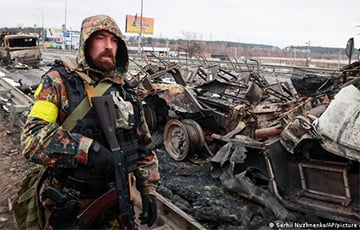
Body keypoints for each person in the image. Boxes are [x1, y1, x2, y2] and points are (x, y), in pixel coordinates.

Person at [21, 14, 159, 229]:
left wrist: (148, 190)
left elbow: (144, 146)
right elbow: (32, 139)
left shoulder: (127, 92)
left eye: (114, 41)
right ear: (86, 42)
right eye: (101, 38)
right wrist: (87, 149)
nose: (108, 46)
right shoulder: (58, 82)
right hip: (71, 202)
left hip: (115, 202)